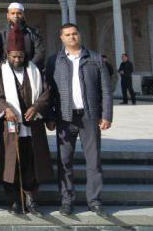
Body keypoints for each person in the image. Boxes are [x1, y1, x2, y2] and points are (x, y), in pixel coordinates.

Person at [44, 23, 112, 217]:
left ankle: (94, 201)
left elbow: (106, 89)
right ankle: (66, 200)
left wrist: (106, 115)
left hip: (89, 116)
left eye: (74, 34)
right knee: (64, 161)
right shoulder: (54, 61)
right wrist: (50, 116)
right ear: (61, 38)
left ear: (79, 35)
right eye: (67, 35)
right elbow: (48, 91)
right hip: (65, 117)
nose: (71, 37)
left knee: (93, 160)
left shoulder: (95, 59)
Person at [0, 50, 54, 216]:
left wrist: (36, 107)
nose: (17, 59)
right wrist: (6, 109)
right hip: (10, 125)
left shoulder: (35, 71)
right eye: (13, 56)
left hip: (32, 126)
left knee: (31, 162)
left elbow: (46, 92)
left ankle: (31, 199)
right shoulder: (0, 72)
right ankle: (14, 200)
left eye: (20, 56)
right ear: (7, 55)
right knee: (11, 163)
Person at [0, 3, 46, 70]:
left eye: (19, 13)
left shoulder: (33, 33)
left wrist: (29, 67)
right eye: (13, 13)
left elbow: (40, 53)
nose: (16, 16)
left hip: (29, 70)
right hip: (7, 71)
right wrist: (5, 67)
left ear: (23, 15)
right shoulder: (0, 34)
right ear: (8, 15)